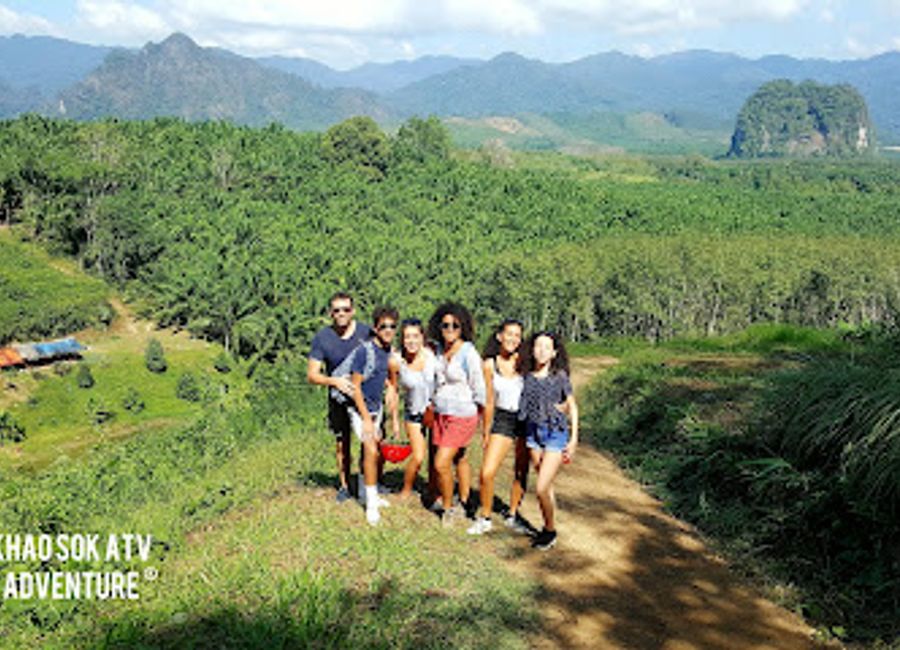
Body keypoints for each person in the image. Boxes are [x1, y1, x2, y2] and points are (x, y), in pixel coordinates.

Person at [306, 292, 372, 503]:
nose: (341, 314)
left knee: (369, 440)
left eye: (345, 309)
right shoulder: (323, 338)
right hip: (338, 398)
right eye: (337, 310)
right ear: (330, 313)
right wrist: (334, 382)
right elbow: (312, 375)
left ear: (352, 311)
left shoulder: (366, 332)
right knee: (342, 442)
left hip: (365, 394)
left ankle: (368, 481)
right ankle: (345, 485)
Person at [468, 319, 530, 535]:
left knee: (521, 471)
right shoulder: (489, 364)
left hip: (525, 419)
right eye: (509, 334)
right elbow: (490, 400)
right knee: (487, 472)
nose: (512, 338)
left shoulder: (525, 361)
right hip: (503, 419)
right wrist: (486, 431)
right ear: (499, 336)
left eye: (517, 335)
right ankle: (485, 517)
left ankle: (512, 514)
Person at [517, 331, 578, 550]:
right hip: (533, 435)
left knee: (541, 487)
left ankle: (550, 530)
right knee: (547, 486)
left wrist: (573, 439)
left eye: (546, 347)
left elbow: (572, 406)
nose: (541, 350)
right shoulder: (526, 376)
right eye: (537, 346)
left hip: (555, 434)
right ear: (532, 350)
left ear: (554, 352)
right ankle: (547, 527)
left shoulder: (559, 376)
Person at [428, 302, 486, 526]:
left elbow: (479, 387)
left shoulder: (468, 353)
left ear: (463, 327)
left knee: (441, 463)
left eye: (455, 325)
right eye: (445, 325)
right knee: (460, 458)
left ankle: (448, 507)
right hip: (442, 413)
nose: (450, 329)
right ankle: (464, 500)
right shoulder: (439, 350)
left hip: (462, 415)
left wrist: (479, 419)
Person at [349, 306, 400, 525]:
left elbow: (390, 383)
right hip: (359, 409)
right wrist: (366, 419)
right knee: (370, 449)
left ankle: (364, 489)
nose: (388, 330)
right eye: (383, 326)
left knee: (371, 451)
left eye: (392, 326)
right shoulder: (364, 351)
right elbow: (355, 386)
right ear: (375, 328)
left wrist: (394, 418)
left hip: (376, 408)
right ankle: (371, 503)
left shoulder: (390, 352)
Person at [392, 318, 437, 500]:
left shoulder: (432, 355)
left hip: (436, 411)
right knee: (418, 456)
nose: (411, 341)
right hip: (414, 413)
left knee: (436, 458)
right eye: (407, 337)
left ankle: (434, 491)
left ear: (422, 338)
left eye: (415, 336)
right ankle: (406, 488)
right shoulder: (397, 361)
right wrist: (394, 420)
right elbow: (393, 390)